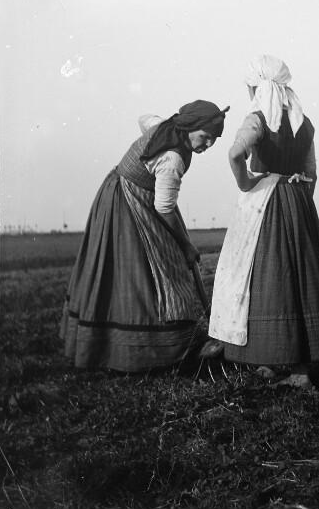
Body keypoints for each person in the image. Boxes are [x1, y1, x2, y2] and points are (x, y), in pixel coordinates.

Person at [60, 100, 228, 372]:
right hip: (131, 204)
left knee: (136, 271)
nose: (208, 145)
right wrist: (185, 245)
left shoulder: (164, 126)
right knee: (162, 267)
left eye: (214, 141)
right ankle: (157, 348)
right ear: (188, 127)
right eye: (205, 137)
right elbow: (164, 208)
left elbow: (144, 118)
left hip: (118, 192)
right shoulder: (172, 159)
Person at [204, 55, 319, 389]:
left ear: (256, 87)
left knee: (263, 277)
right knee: (299, 281)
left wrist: (247, 183)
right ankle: (299, 366)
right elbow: (313, 173)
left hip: (265, 205)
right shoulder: (304, 123)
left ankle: (274, 356)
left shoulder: (258, 120)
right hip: (298, 201)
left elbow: (234, 154)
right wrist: (300, 202)